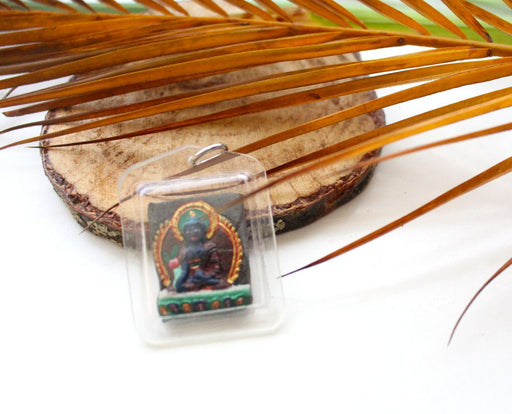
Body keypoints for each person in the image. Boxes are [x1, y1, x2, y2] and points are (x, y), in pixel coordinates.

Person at [169, 211, 229, 292]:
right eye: (189, 231)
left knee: (221, 283)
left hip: (206, 276)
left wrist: (205, 274)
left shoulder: (209, 247)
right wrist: (181, 277)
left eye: (196, 230)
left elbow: (215, 266)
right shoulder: (184, 250)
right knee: (182, 286)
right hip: (191, 279)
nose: (192, 233)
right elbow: (183, 270)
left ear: (203, 231)